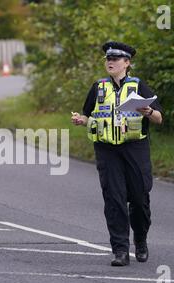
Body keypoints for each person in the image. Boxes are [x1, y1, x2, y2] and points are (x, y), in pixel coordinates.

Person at [71, 41, 163, 267]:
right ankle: (120, 250)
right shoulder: (98, 87)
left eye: (115, 59)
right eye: (108, 59)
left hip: (134, 149)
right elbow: (87, 115)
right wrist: (81, 120)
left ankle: (140, 240)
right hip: (107, 150)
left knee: (140, 199)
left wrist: (148, 111)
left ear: (127, 63)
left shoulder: (139, 86)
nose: (110, 62)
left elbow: (159, 118)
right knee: (114, 200)